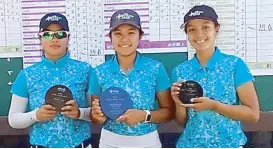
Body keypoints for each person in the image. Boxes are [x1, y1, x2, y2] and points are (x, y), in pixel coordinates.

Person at [171, 5, 260, 148]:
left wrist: (214, 106)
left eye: (205, 27)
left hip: (229, 144)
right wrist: (178, 103)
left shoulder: (234, 65)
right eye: (192, 29)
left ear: (216, 29)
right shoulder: (180, 71)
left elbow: (253, 114)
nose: (199, 34)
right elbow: (182, 122)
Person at [89, 9, 174, 148]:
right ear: (110, 37)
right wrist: (97, 116)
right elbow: (96, 116)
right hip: (110, 142)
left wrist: (144, 115)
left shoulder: (155, 68)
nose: (124, 39)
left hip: (148, 142)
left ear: (140, 36)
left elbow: (169, 112)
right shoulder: (99, 72)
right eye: (118, 33)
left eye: (131, 32)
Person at [8, 13, 92, 148]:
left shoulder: (86, 70)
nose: (54, 39)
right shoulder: (27, 75)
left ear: (68, 38)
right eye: (47, 34)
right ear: (40, 38)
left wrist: (79, 113)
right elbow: (13, 119)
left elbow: (98, 113)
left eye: (60, 34)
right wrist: (36, 115)